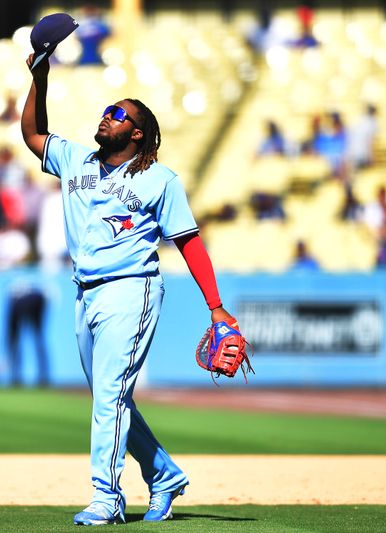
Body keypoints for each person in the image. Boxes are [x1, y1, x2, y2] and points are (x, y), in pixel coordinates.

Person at [21, 51, 240, 525]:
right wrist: (40, 76)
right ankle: (164, 475)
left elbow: (189, 242)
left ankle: (107, 497)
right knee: (109, 394)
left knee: (109, 395)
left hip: (131, 287)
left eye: (119, 114)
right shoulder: (77, 158)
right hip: (86, 291)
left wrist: (217, 308)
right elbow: (33, 135)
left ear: (137, 132)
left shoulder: (160, 180)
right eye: (107, 110)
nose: (107, 115)